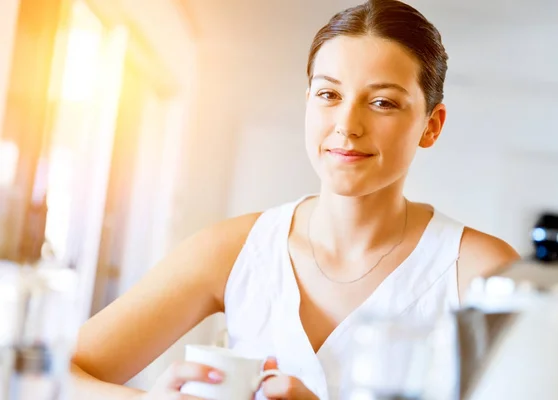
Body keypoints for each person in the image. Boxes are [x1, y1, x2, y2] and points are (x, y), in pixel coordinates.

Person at [71, 0, 520, 399]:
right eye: (329, 94)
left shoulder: (482, 275)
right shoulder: (233, 250)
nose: (347, 124)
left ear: (431, 125)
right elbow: (59, 372)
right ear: (308, 102)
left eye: (382, 102)